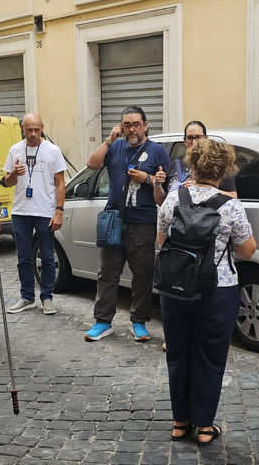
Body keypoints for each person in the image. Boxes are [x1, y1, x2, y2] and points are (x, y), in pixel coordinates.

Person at [157, 139, 256, 446]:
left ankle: (179, 422)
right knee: (210, 358)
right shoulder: (230, 205)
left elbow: (161, 240)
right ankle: (203, 427)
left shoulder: (174, 197)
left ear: (193, 165)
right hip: (218, 290)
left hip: (174, 289)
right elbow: (248, 251)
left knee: (177, 354)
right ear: (225, 169)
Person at [84, 106, 171, 342]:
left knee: (142, 275)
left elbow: (166, 191)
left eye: (136, 124)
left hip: (142, 222)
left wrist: (148, 179)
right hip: (114, 219)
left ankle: (139, 323)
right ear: (121, 126)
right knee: (107, 274)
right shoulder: (116, 146)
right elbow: (91, 164)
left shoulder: (157, 152)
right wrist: (109, 140)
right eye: (126, 124)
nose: (131, 129)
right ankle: (103, 322)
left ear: (145, 125)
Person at [3, 113, 67, 316]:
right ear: (22, 128)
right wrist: (14, 173)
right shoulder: (15, 150)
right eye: (29, 129)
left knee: (47, 256)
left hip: (45, 211)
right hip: (21, 211)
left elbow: (60, 183)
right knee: (23, 257)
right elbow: (8, 182)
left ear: (42, 128)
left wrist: (59, 211)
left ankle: (47, 297)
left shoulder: (53, 151)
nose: (32, 134)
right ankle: (27, 297)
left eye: (36, 129)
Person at [153, 120, 237, 205]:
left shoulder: (217, 164)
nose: (194, 142)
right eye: (190, 138)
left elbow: (233, 196)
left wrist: (200, 188)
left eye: (198, 137)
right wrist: (157, 184)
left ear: (206, 139)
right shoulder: (176, 164)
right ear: (184, 141)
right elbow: (162, 202)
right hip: (176, 217)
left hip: (204, 216)